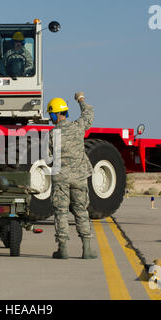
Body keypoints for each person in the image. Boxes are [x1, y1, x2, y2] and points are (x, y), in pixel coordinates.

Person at [47, 92, 97, 259]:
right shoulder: (77, 127)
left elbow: (48, 158)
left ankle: (63, 249)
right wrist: (81, 99)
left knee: (61, 212)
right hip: (79, 177)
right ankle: (87, 249)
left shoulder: (52, 134)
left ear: (54, 114)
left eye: (51, 114)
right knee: (81, 210)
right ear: (65, 113)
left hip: (60, 178)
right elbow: (88, 115)